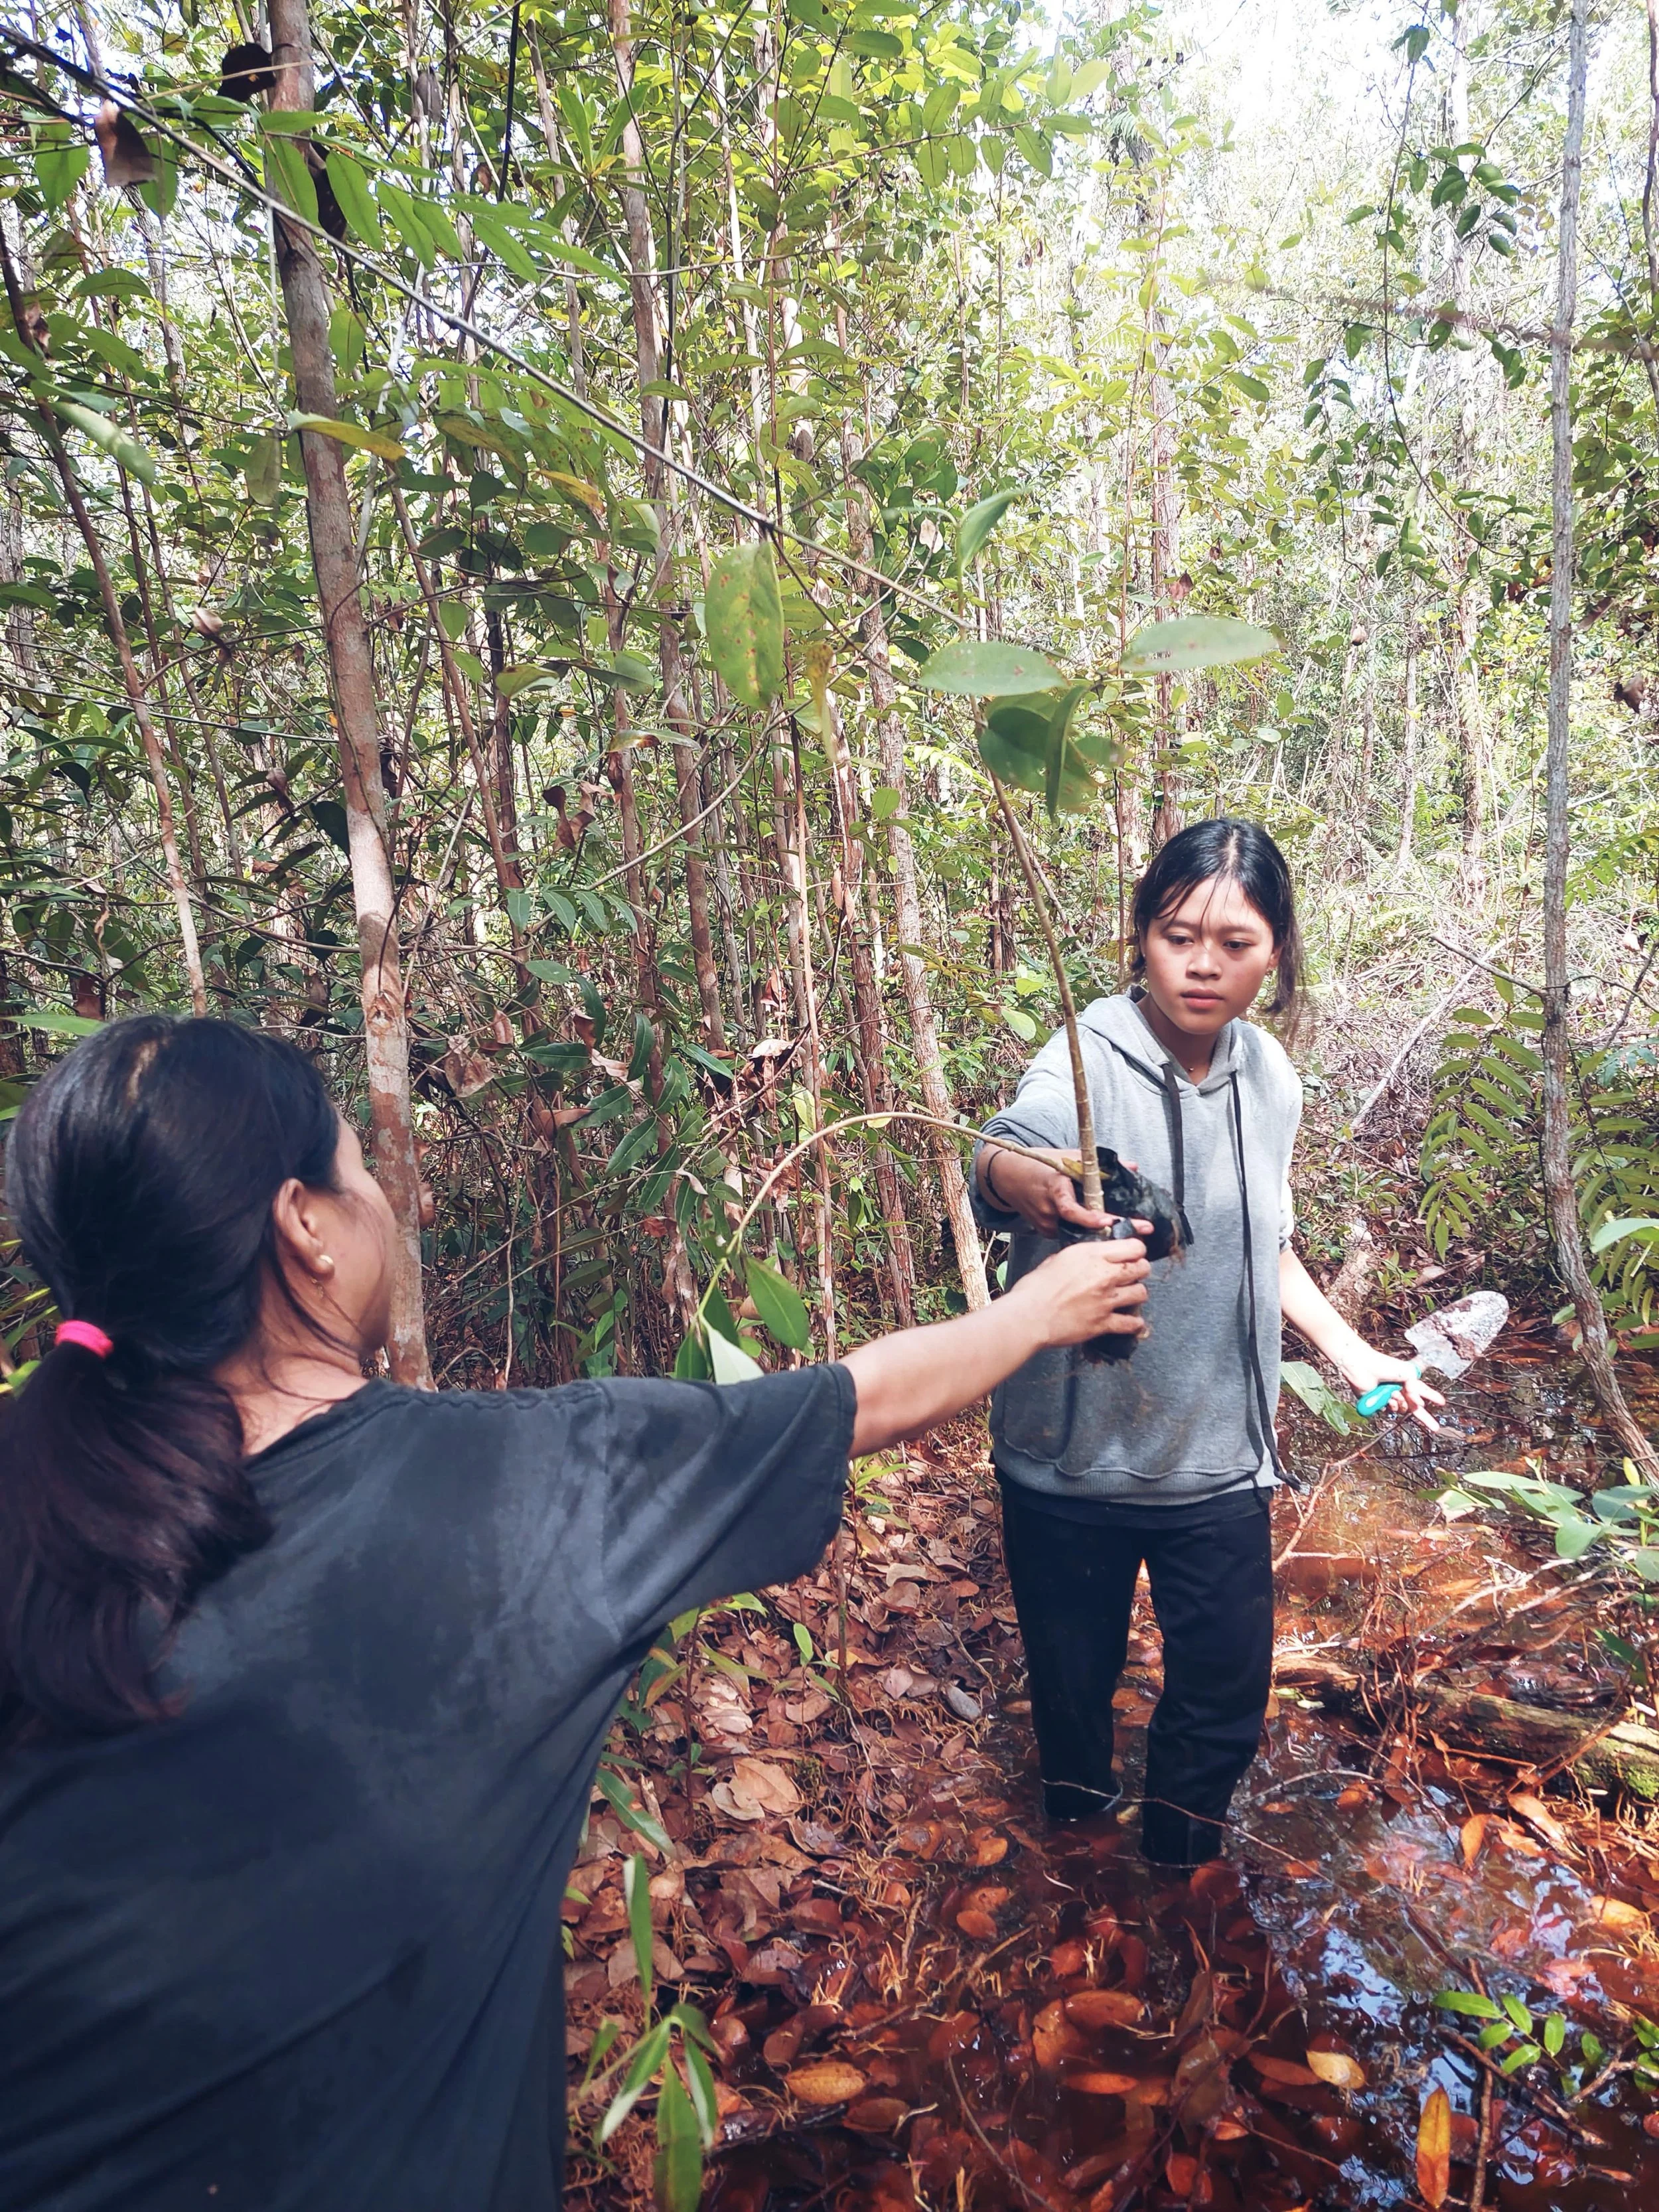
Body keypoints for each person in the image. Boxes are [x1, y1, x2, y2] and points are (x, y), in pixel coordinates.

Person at [0, 1013, 1151, 2212]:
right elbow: (851, 1404)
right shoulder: (527, 1487)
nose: (380, 1203)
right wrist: (1042, 1311)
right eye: (353, 1171)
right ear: (304, 1228)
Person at [974, 817, 1441, 1868]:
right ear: (1143, 934)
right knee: (1073, 1720)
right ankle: (1079, 1888)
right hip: (1069, 1463)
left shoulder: (1270, 1075)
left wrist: (1354, 1355)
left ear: (1276, 952)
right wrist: (1039, 1180)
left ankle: (1181, 1889)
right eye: (1180, 935)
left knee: (1225, 1697)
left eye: (1236, 943)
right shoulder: (1086, 1054)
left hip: (1221, 1459)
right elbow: (1006, 1148)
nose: (1203, 964)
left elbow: (1262, 1247)